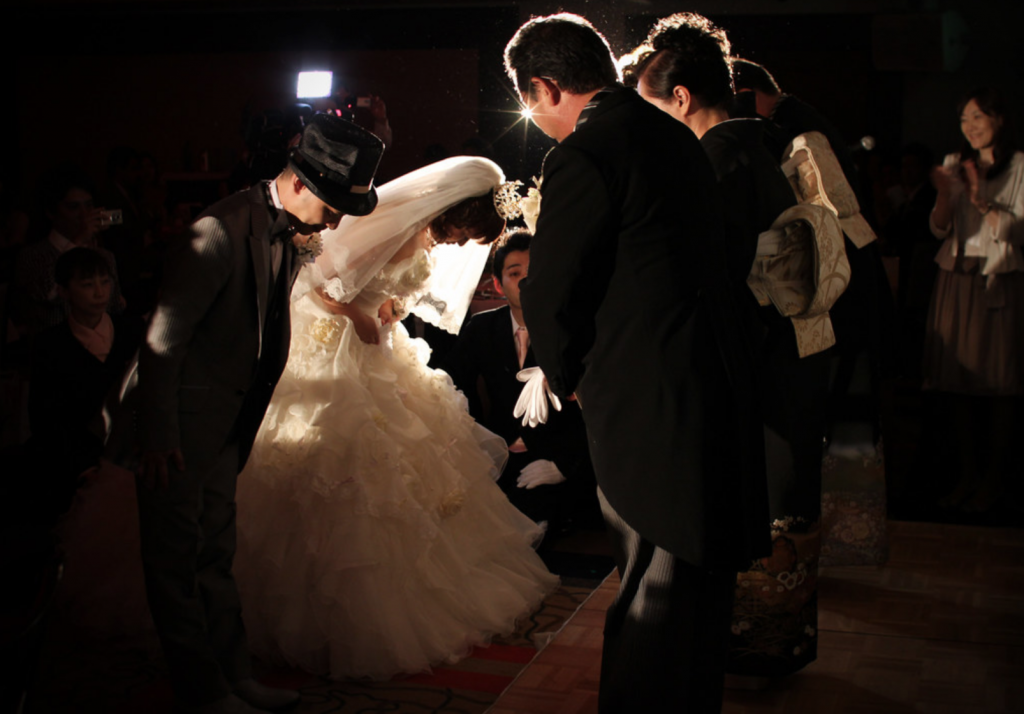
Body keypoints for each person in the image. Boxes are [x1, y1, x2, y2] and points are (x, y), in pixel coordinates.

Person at [504, 14, 768, 713]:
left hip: (646, 400)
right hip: (711, 379)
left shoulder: (587, 153)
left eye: (531, 103)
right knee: (697, 583)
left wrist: (572, 383)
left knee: (653, 586)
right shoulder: (677, 138)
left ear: (543, 87)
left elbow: (551, 290)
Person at [233, 156, 558, 681]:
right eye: (464, 231)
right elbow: (317, 280)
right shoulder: (388, 221)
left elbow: (379, 285)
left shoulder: (421, 230)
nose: (457, 244)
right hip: (331, 352)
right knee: (347, 477)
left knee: (411, 476)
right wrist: (360, 314)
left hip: (375, 349)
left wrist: (388, 308)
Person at [107, 113, 385, 714]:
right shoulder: (216, 231)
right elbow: (163, 342)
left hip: (225, 426)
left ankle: (235, 678)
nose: (337, 218)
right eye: (335, 203)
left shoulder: (285, 226)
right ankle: (204, 693)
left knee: (214, 559)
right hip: (176, 430)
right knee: (176, 569)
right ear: (301, 184)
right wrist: (158, 437)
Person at [622, 13, 835, 684]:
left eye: (653, 106)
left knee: (768, 503)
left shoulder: (720, 159)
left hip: (763, 355)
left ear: (679, 97)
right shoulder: (761, 142)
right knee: (782, 499)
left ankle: (757, 649)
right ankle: (776, 643)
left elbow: (711, 275)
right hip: (793, 349)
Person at [444, 228, 597, 532]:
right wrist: (475, 446)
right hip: (497, 455)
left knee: (537, 521)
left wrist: (566, 465)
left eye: (534, 269)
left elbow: (596, 406)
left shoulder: (572, 328)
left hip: (556, 457)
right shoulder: (482, 328)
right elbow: (457, 387)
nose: (527, 280)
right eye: (515, 273)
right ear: (499, 285)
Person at [923, 87, 1024, 513]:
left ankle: (995, 480)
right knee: (957, 386)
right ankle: (966, 476)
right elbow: (938, 229)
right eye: (964, 120)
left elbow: (1017, 231)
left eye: (978, 117)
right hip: (957, 277)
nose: (970, 127)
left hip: (997, 279)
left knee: (999, 386)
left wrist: (981, 199)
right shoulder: (954, 164)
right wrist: (947, 194)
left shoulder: (1019, 166)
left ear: (999, 119)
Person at [27, 247, 142, 523]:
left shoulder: (133, 331)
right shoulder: (49, 346)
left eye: (105, 282)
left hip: (135, 455)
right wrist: (81, 467)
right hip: (78, 462)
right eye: (88, 285)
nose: (100, 293)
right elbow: (47, 418)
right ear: (64, 291)